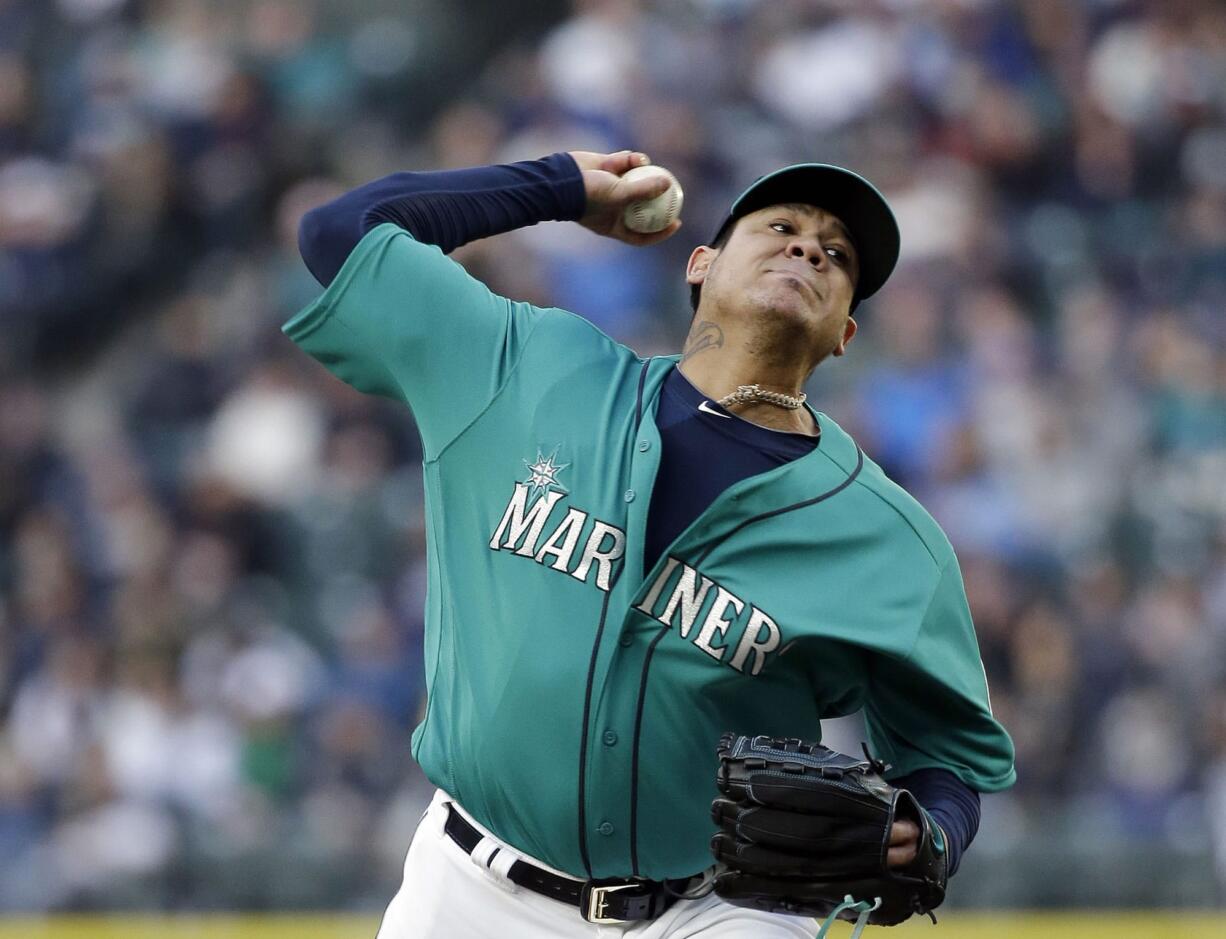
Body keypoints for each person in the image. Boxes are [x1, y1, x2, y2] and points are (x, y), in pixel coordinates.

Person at [286, 149, 1015, 937]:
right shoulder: (527, 368)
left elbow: (948, 755)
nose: (808, 247)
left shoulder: (889, 537)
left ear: (845, 330)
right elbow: (340, 231)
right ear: (700, 264)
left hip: (719, 909)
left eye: (836, 254)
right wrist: (562, 187)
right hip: (472, 886)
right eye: (780, 227)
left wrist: (930, 831)